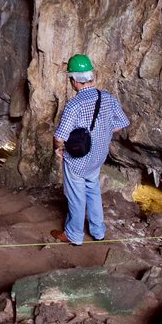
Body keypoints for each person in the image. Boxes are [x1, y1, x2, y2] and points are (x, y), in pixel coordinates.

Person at [51, 53, 130, 245]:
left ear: (74, 81)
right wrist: (102, 131)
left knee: (76, 196)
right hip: (98, 156)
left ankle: (74, 235)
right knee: (93, 190)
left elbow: (59, 137)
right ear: (91, 76)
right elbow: (122, 122)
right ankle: (98, 231)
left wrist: (58, 149)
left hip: (78, 159)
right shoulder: (108, 98)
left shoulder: (74, 104)